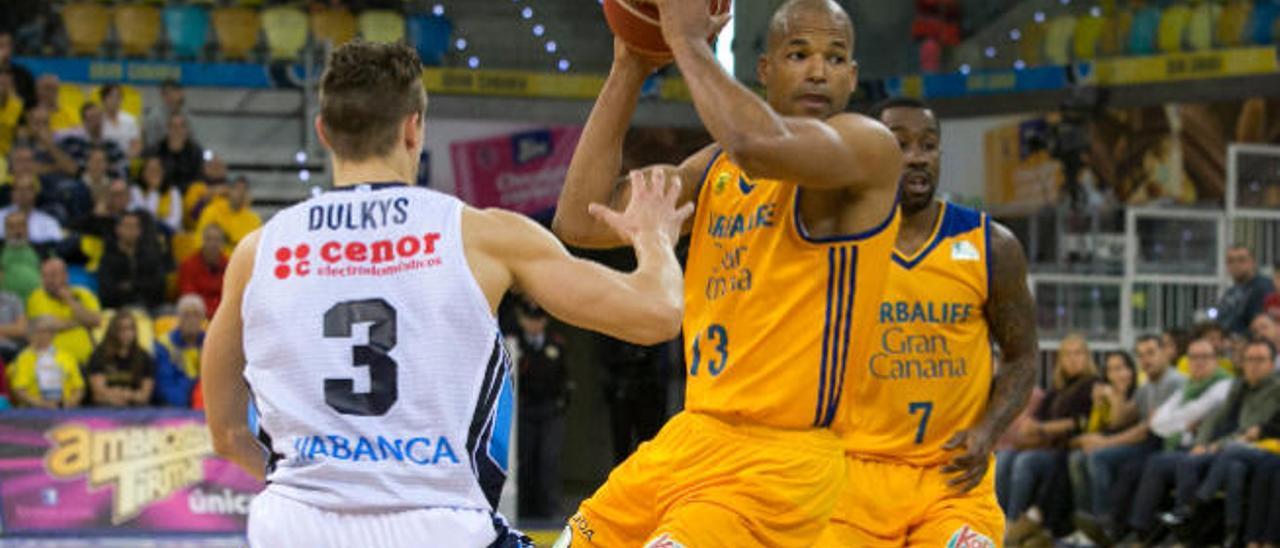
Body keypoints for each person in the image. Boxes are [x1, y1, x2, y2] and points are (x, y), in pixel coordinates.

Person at [203, 41, 689, 547]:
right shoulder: (482, 236)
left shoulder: (258, 252)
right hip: (437, 527)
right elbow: (656, 314)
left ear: (324, 132)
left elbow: (226, 432)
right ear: (413, 128)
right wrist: (653, 236)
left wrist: (325, 494)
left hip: (295, 528)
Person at [552, 0, 903, 544]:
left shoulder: (868, 149)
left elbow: (758, 144)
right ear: (764, 70)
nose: (817, 69)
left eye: (835, 58)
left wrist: (688, 43)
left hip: (782, 460)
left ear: (853, 77)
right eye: (799, 53)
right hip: (693, 436)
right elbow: (579, 217)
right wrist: (630, 67)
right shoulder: (716, 167)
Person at [811, 97, 1038, 547]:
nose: (916, 156)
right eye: (899, 144)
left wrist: (988, 430)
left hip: (951, 480)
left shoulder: (991, 245)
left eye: (928, 145)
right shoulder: (831, 244)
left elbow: (1022, 356)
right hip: (852, 476)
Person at [1159, 338, 1280, 546]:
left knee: (1233, 452)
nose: (1254, 364)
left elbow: (1256, 430)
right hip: (1237, 449)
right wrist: (1203, 442)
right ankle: (1196, 531)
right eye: (1249, 359)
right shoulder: (1239, 385)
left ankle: (1194, 507)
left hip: (1261, 447)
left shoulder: (1275, 390)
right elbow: (1216, 417)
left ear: (1271, 363)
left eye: (1260, 360)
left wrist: (1219, 445)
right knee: (1198, 462)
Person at [1073, 335, 1186, 544]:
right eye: (1141, 355)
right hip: (1148, 443)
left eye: (1151, 352)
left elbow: (1146, 429)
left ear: (1165, 353)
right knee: (1082, 457)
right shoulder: (1146, 386)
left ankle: (1103, 524)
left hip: (1165, 445)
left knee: (1100, 457)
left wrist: (1104, 443)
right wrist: (1115, 393)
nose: (1146, 360)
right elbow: (1121, 420)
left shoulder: (1175, 382)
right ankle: (1093, 523)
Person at [1120, 338, 1234, 544]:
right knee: (1150, 463)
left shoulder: (1223, 384)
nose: (1198, 362)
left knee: (1162, 462)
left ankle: (1179, 532)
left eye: (1204, 357)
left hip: (1210, 449)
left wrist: (1176, 419)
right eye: (1193, 357)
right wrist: (1179, 420)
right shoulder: (1188, 386)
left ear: (1215, 360)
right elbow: (1157, 422)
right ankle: (1141, 531)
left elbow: (1193, 412)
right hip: (1183, 445)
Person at [1002, 334, 1100, 544]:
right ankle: (1001, 520)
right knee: (1006, 456)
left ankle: (1016, 523)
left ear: (1087, 357)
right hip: (1049, 447)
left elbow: (1078, 422)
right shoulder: (1057, 390)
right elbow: (1037, 423)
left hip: (1068, 449)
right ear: (1060, 360)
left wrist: (1041, 428)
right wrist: (1036, 428)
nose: (1073, 359)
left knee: (1026, 461)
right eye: (1068, 354)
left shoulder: (1092, 385)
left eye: (1078, 353)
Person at [508, 297, 571, 520]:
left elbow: (564, 378)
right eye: (529, 318)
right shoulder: (513, 344)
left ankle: (550, 510)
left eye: (539, 319)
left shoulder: (556, 343)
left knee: (549, 460)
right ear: (521, 318)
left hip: (550, 411)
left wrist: (561, 404)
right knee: (524, 460)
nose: (534, 324)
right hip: (523, 411)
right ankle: (524, 510)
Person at [25, 257, 101, 365]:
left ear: (65, 275)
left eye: (53, 275)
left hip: (86, 360)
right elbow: (47, 324)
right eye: (44, 276)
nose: (48, 280)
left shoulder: (84, 294)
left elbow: (96, 321)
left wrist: (70, 301)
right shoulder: (36, 297)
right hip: (52, 363)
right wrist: (81, 322)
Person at [6, 315, 83, 408]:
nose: (44, 335)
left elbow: (78, 387)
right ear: (30, 334)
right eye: (40, 331)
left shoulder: (67, 357)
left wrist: (71, 402)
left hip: (65, 408)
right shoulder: (23, 358)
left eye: (49, 331)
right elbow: (19, 390)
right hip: (33, 410)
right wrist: (40, 404)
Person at [97, 211, 166, 310]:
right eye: (128, 226)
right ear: (118, 229)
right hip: (119, 309)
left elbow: (159, 285)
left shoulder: (150, 256)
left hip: (151, 307)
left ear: (140, 231)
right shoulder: (108, 258)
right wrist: (142, 286)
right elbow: (108, 292)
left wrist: (131, 286)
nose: (132, 230)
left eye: (135, 227)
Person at [86, 312, 155, 407]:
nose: (127, 333)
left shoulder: (144, 357)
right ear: (113, 331)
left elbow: (144, 396)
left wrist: (123, 394)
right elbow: (98, 395)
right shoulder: (99, 355)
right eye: (122, 329)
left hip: (135, 410)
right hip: (104, 410)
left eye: (130, 329)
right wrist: (127, 395)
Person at [153, 294, 205, 407]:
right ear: (178, 318)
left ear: (203, 319)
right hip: (175, 406)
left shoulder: (210, 344)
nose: (191, 320)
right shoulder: (164, 345)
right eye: (186, 315)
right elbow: (164, 385)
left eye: (196, 315)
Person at [1217, 245, 1275, 337]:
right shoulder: (1230, 291)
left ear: (1253, 262)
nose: (1235, 265)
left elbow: (1260, 325)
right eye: (1230, 261)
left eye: (1241, 260)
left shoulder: (1263, 287)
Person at [195, 175, 260, 246]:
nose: (240, 193)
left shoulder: (254, 220)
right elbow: (199, 238)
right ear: (229, 191)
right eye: (237, 189)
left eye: (244, 190)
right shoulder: (212, 210)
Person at [177, 224, 227, 317]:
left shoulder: (230, 265)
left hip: (223, 316)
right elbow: (189, 296)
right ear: (202, 241)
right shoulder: (188, 265)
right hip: (197, 316)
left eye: (217, 240)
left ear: (222, 243)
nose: (213, 244)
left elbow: (232, 297)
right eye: (209, 239)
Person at [0, 173, 62, 245]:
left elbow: (56, 249)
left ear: (35, 192)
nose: (22, 193)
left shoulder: (48, 222)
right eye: (18, 189)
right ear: (12, 193)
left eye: (28, 189)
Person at [129, 155, 182, 233]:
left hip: (166, 233)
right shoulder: (134, 190)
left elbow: (175, 221)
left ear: (163, 172)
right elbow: (143, 215)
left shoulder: (173, 192)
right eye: (150, 170)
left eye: (157, 170)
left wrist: (155, 190)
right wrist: (153, 191)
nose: (153, 173)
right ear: (142, 173)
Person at [1, 211, 44, 299]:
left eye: (21, 225)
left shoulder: (41, 250)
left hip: (37, 300)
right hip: (8, 303)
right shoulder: (1, 251)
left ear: (27, 228)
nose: (17, 231)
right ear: (5, 231)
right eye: (12, 227)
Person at [98, 83, 141, 159]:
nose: (115, 100)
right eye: (111, 97)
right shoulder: (98, 120)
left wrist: (126, 157)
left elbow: (136, 145)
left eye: (118, 97)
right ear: (103, 99)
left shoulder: (130, 119)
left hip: (124, 161)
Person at [143, 79, 187, 150]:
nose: (171, 96)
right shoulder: (154, 117)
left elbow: (192, 138)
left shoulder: (186, 114)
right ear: (162, 96)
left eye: (174, 92)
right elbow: (151, 144)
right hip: (160, 155)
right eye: (167, 93)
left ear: (181, 93)